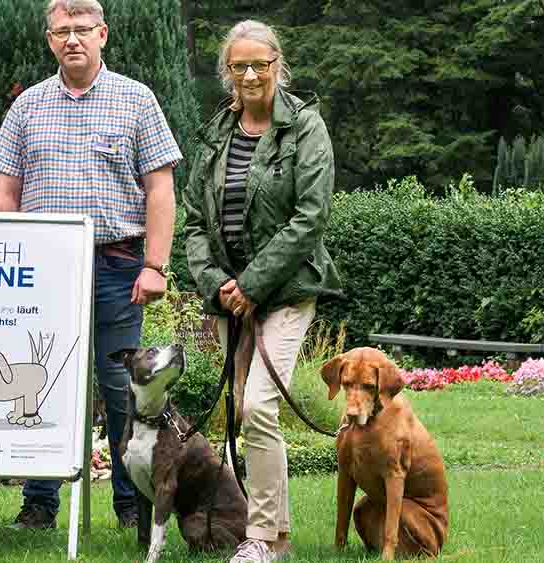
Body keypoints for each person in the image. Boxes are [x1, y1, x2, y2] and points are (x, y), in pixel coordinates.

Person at [0, 0, 181, 531]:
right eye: (62, 32)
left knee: (123, 390)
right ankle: (39, 505)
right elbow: (5, 190)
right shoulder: (27, 106)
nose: (72, 39)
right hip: (43, 271)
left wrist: (156, 265)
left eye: (82, 30)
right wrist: (12, 256)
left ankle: (129, 503)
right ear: (50, 40)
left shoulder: (137, 99)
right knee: (40, 382)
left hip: (119, 265)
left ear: (103, 35)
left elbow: (160, 189)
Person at [182, 20, 341, 563]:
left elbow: (310, 217)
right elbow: (193, 225)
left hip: (288, 291)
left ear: (277, 65)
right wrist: (218, 284)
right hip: (231, 297)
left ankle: (261, 538)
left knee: (257, 407)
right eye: (239, 65)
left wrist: (252, 284)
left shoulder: (306, 127)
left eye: (260, 64)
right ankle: (279, 538)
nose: (250, 75)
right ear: (227, 71)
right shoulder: (215, 134)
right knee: (244, 411)